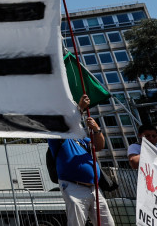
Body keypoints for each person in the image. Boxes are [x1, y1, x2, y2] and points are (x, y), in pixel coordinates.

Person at [48, 94, 115, 226]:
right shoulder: (57, 136)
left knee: (107, 223)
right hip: (73, 186)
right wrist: (80, 108)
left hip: (94, 188)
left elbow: (99, 146)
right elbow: (64, 126)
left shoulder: (82, 139)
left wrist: (97, 130)